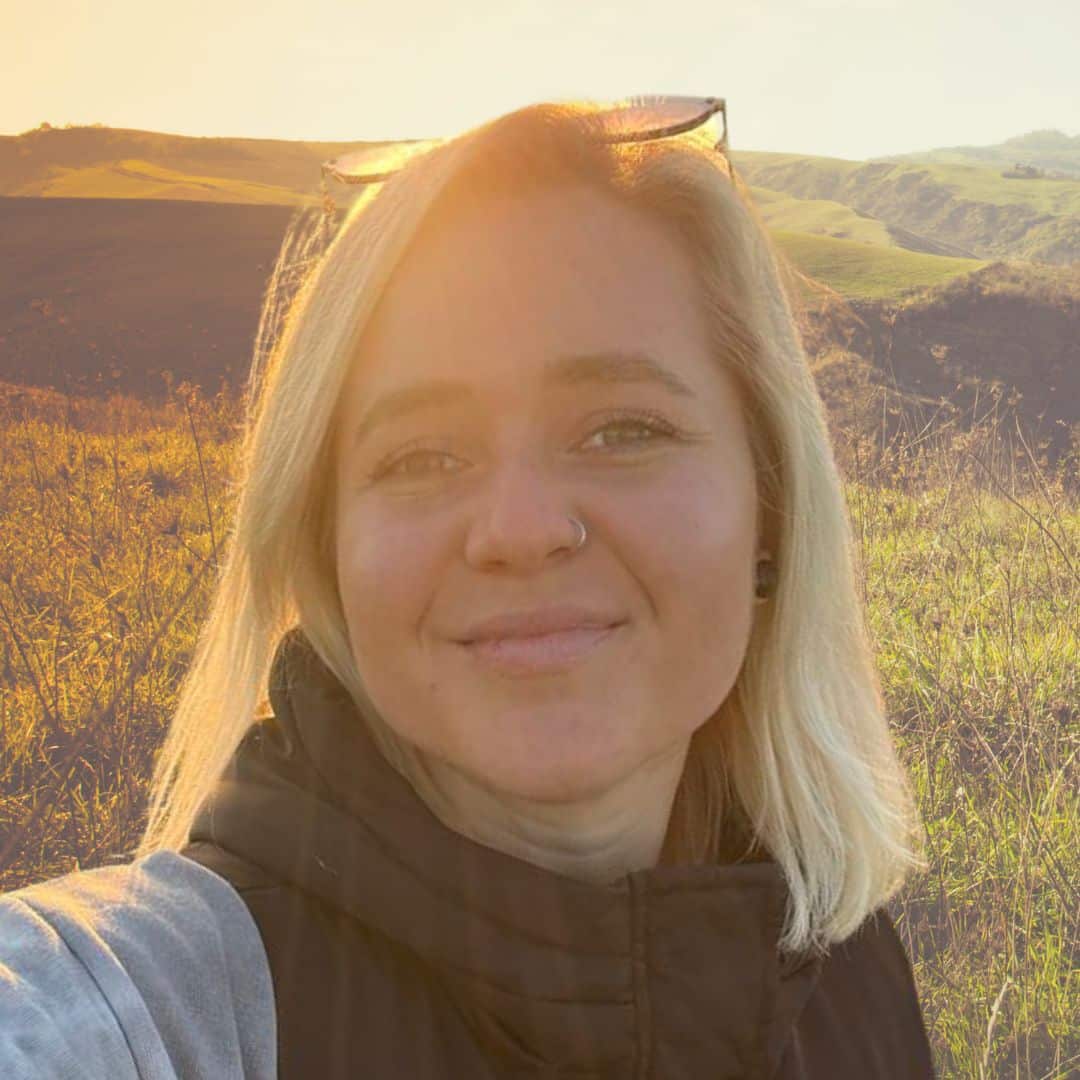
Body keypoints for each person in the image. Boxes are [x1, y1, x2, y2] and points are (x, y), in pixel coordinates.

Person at [0, 97, 937, 1077]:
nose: (520, 531)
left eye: (624, 430)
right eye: (422, 456)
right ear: (329, 549)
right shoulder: (157, 1010)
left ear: (771, 506)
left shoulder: (844, 964)